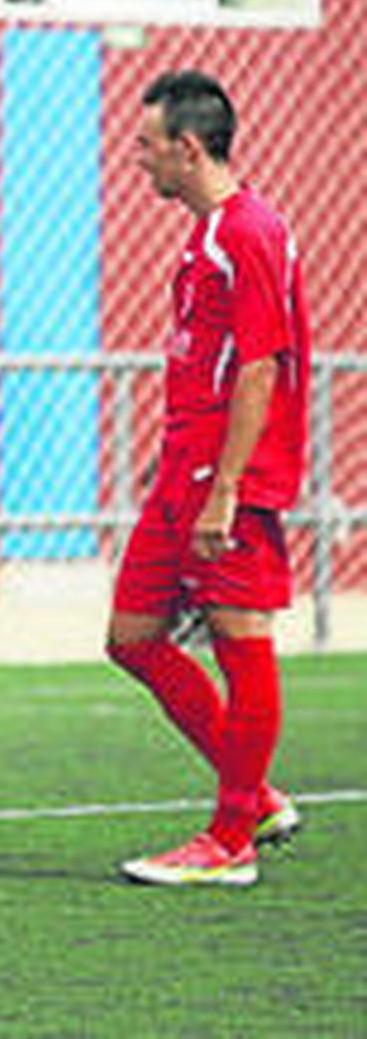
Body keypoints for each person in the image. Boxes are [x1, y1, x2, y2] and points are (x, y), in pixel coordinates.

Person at [111, 71, 309, 888]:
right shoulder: (209, 233)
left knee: (240, 637)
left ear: (188, 148)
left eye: (147, 145)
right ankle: (253, 796)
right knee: (132, 638)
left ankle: (231, 840)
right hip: (183, 468)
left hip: (227, 476)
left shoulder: (250, 232)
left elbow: (260, 366)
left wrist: (226, 488)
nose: (137, 158)